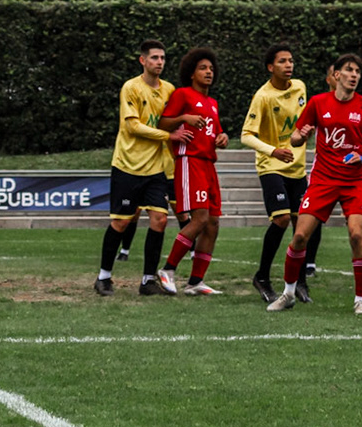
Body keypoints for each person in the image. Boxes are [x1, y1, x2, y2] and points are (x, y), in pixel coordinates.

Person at [269, 53, 362, 315]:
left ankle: (361, 301)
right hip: (322, 180)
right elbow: (296, 139)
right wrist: (301, 136)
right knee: (300, 236)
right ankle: (288, 293)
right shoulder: (317, 103)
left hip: (353, 182)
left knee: (357, 234)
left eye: (358, 71)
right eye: (349, 70)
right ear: (337, 76)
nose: (354, 75)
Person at [95, 41, 183, 297]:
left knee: (160, 220)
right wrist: (167, 136)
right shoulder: (131, 87)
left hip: (156, 169)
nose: (160, 62)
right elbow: (133, 126)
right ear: (142, 61)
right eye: (154, 57)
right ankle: (103, 277)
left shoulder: (169, 90)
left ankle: (147, 281)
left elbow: (178, 121)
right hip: (128, 166)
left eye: (163, 58)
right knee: (121, 223)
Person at [241, 45, 316, 306]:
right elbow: (246, 135)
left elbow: (304, 122)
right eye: (282, 61)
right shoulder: (263, 96)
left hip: (298, 169)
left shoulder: (300, 88)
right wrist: (273, 151)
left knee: (303, 227)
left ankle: (299, 283)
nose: (289, 65)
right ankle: (262, 277)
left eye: (291, 60)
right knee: (282, 219)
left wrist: (308, 132)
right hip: (271, 166)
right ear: (270, 67)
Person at [160, 48, 229, 296]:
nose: (209, 72)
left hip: (209, 163)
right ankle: (167, 270)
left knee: (212, 224)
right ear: (191, 73)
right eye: (203, 68)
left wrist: (223, 137)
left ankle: (195, 282)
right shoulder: (182, 95)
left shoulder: (212, 103)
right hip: (190, 160)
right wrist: (184, 118)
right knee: (199, 219)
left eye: (211, 68)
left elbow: (216, 132)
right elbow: (163, 122)